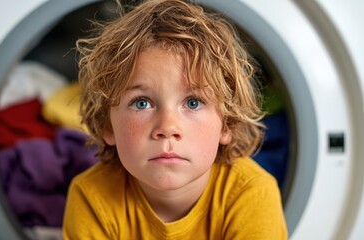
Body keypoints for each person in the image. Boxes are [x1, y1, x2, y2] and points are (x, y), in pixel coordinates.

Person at [63, 0, 288, 239]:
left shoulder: (251, 193)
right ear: (107, 124)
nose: (167, 127)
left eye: (193, 103)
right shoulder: (91, 196)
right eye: (142, 103)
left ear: (227, 123)